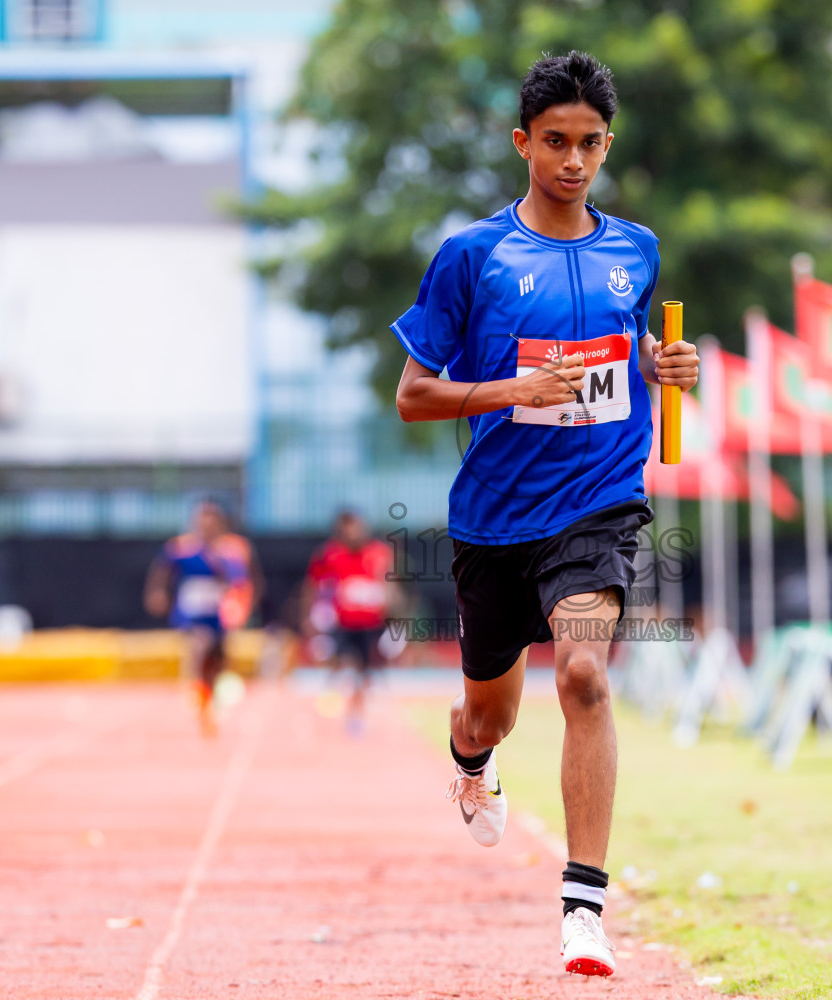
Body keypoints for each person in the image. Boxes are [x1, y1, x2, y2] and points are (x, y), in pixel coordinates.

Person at [390, 52, 699, 977]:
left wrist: (667, 368)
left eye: (591, 144)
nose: (573, 160)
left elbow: (633, 351)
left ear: (609, 146)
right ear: (522, 143)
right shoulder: (472, 256)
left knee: (584, 678)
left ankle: (584, 909)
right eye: (556, 142)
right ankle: (470, 760)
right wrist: (512, 388)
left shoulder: (633, 250)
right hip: (493, 519)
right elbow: (412, 395)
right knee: (492, 715)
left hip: (599, 501)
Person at [145, 498, 259, 735]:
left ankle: (210, 698)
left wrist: (241, 604)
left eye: (212, 521)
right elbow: (162, 569)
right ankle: (198, 697)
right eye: (202, 521)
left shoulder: (232, 549)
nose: (206, 526)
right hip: (191, 614)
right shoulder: (181, 547)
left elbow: (242, 580)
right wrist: (157, 592)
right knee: (199, 647)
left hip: (219, 614)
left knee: (218, 661)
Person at [303, 509, 395, 734]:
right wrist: (310, 615)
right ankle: (335, 696)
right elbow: (314, 585)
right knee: (342, 661)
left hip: (371, 622)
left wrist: (389, 607)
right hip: (342, 622)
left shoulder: (379, 553)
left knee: (364, 669)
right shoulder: (330, 554)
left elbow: (388, 583)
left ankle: (356, 712)